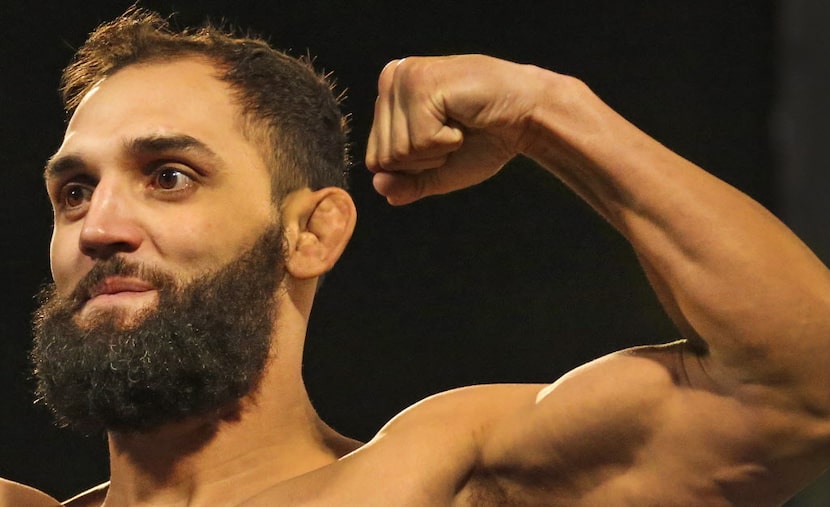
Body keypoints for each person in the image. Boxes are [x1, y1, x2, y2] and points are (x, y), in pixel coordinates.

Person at [2, 6, 829, 506]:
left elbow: (800, 386)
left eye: (169, 176)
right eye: (73, 191)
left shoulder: (431, 478)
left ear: (313, 232)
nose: (98, 225)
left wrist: (548, 110)